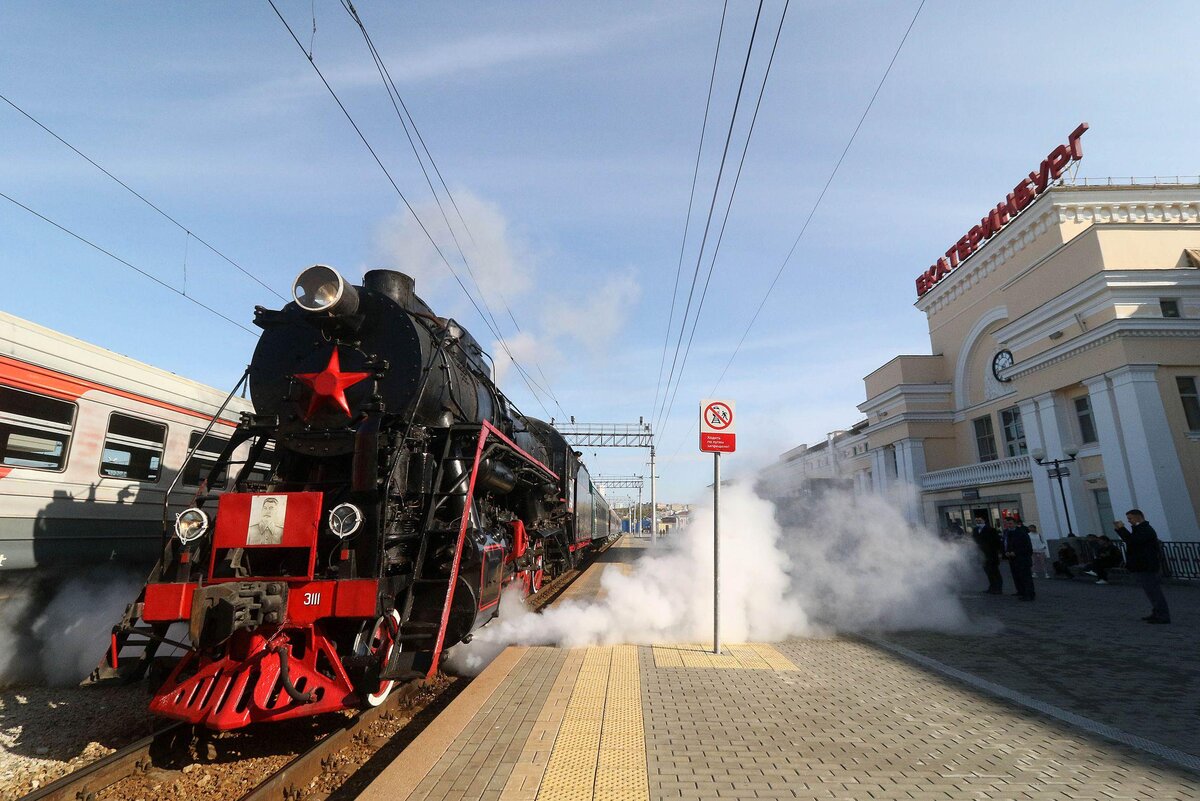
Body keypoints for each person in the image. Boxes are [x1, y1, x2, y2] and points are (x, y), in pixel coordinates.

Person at [1114, 509, 1170, 624]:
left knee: (1154, 591)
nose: (1129, 521)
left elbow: (1132, 541)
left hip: (1147, 566)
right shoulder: (1140, 529)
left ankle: (1163, 615)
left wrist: (1121, 529)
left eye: (1130, 518)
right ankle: (1157, 612)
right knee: (1150, 591)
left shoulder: (1146, 530)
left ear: (1138, 517)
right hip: (1142, 565)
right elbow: (1132, 541)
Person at [1002, 517, 1035, 601]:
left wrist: (1016, 552)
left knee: (1025, 577)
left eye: (1010, 523)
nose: (1009, 525)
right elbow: (1006, 544)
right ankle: (1021, 591)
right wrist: (1006, 552)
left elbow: (1027, 547)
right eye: (1007, 524)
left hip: (1022, 558)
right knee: (1016, 576)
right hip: (1012, 559)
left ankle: (1029, 594)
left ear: (1015, 523)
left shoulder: (1022, 532)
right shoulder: (1007, 532)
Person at [971, 516, 1003, 594]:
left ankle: (998, 588)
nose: (978, 522)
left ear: (984, 520)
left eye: (980, 520)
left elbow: (997, 542)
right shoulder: (975, 530)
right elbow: (974, 540)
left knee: (995, 572)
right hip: (981, 555)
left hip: (991, 554)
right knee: (988, 572)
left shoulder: (991, 530)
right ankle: (992, 587)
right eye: (977, 520)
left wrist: (999, 552)